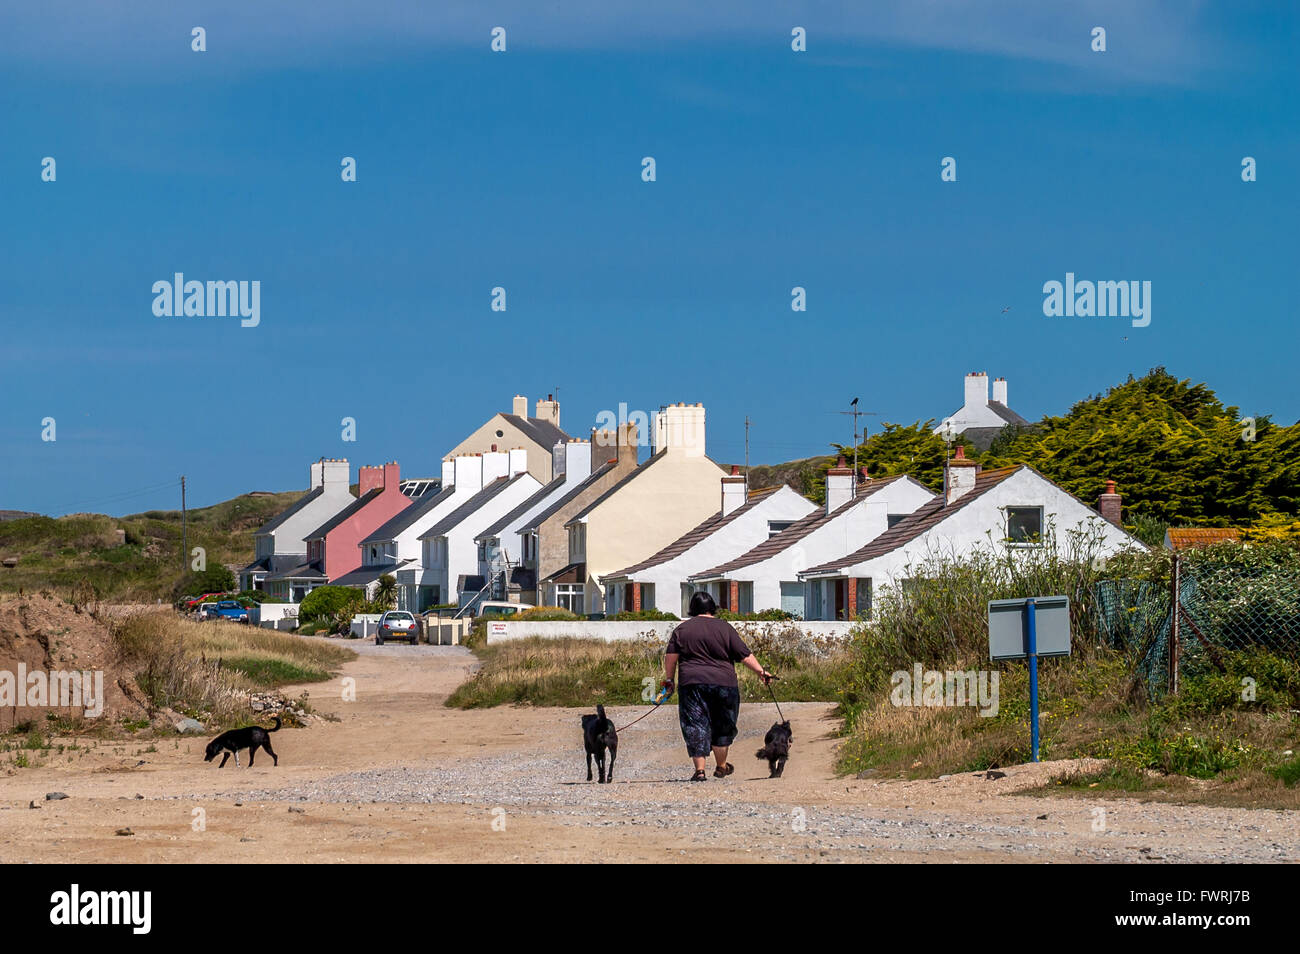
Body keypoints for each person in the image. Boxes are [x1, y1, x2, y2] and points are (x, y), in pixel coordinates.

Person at [661, 591, 774, 782]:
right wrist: (761, 672)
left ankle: (700, 771)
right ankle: (721, 766)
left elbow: (671, 658)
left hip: (692, 684)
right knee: (722, 725)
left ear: (692, 609)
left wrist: (670, 680)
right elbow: (744, 654)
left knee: (695, 724)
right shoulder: (725, 628)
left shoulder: (682, 630)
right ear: (712, 608)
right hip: (724, 683)